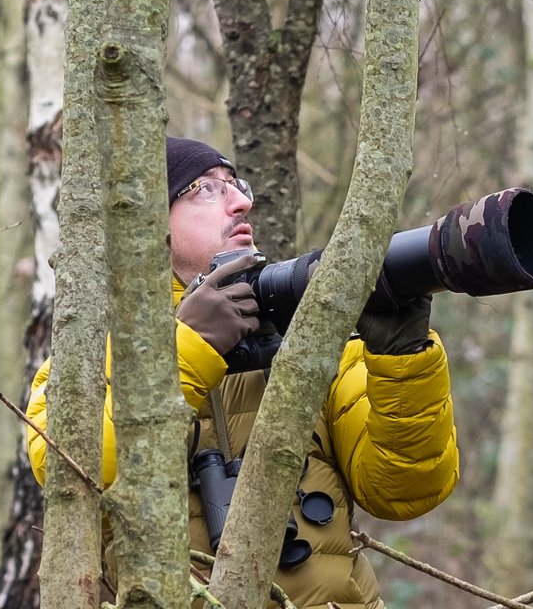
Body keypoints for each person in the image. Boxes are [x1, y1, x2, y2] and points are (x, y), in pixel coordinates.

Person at [26, 136, 459, 609]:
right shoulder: (82, 367)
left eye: (237, 185)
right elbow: (69, 473)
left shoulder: (312, 341)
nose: (242, 202)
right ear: (143, 224)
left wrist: (404, 356)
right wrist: (188, 347)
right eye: (206, 190)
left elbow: (406, 489)